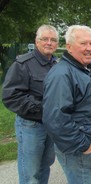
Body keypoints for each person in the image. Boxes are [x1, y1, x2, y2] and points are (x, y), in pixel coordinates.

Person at [42, 25, 91, 184]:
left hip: (85, 144)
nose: (89, 48)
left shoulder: (82, 69)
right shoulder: (62, 74)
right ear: (69, 47)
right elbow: (56, 119)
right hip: (79, 149)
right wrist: (84, 146)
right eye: (83, 44)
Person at [2, 25, 59, 184]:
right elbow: (10, 96)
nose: (49, 43)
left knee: (45, 166)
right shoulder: (23, 64)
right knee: (30, 172)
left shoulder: (56, 64)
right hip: (30, 126)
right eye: (44, 39)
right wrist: (43, 108)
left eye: (53, 40)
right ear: (36, 41)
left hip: (50, 125)